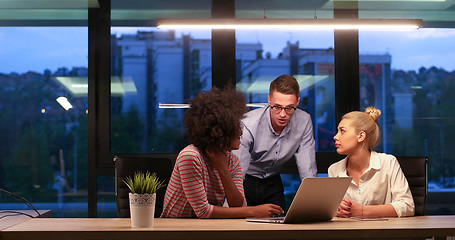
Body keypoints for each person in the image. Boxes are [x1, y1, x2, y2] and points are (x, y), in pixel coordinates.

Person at [161, 88, 284, 218]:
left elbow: (238, 206)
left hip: (204, 230)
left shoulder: (232, 161)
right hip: (176, 231)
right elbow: (203, 211)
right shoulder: (190, 157)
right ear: (221, 130)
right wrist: (253, 211)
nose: (241, 132)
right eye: (236, 127)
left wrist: (222, 168)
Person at [231, 74, 317, 210]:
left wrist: (316, 206)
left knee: (279, 227)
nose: (283, 114)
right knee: (243, 226)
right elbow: (237, 170)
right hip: (246, 181)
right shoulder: (248, 123)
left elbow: (308, 169)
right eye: (277, 107)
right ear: (269, 100)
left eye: (289, 108)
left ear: (298, 102)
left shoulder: (304, 121)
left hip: (273, 181)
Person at [328, 107, 415, 218]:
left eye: (342, 131)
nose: (335, 137)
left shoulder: (388, 163)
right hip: (349, 233)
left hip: (384, 233)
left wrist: (362, 211)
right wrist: (337, 211)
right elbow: (334, 211)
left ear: (361, 136)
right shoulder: (334, 169)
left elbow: (407, 206)